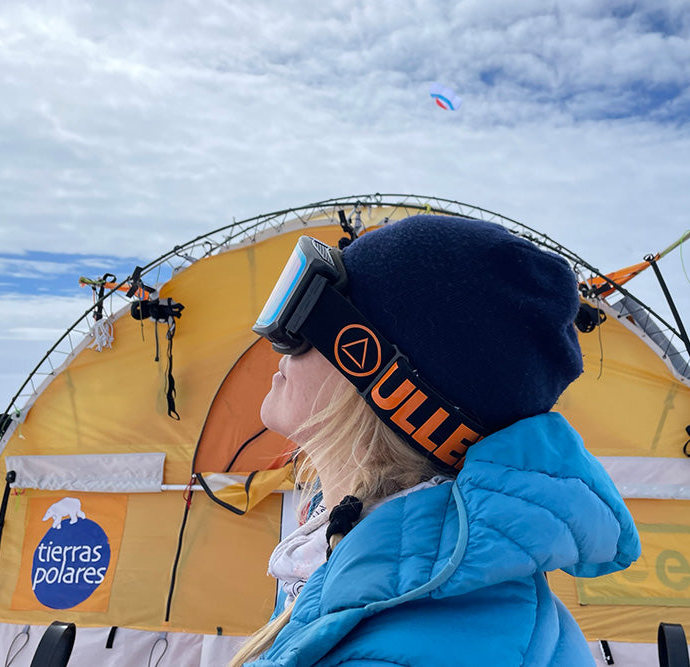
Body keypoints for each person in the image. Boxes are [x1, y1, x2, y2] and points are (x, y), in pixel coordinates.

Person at [230, 215, 640, 666]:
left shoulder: (398, 636)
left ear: (374, 371)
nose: (278, 342)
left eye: (303, 313)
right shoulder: (359, 571)